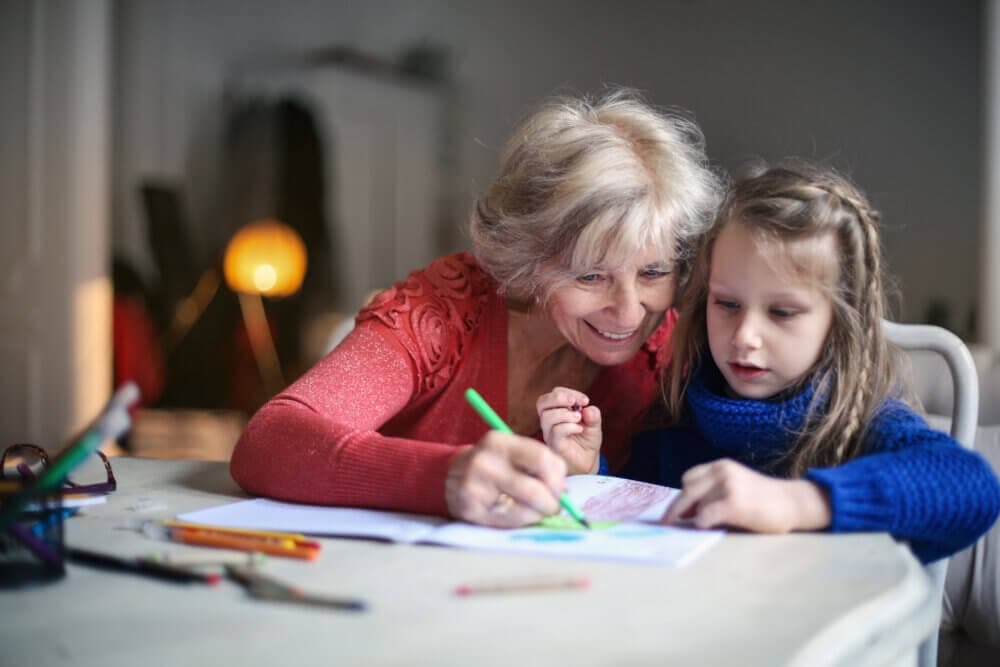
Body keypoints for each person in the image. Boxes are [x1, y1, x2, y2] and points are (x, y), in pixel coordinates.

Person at [229, 89, 723, 527]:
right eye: (591, 275)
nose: (631, 314)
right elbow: (270, 442)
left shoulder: (666, 347)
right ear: (530, 258)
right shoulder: (445, 311)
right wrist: (442, 478)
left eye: (654, 273)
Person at [540, 161, 1000, 563]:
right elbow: (641, 536)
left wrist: (796, 504)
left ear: (840, 321)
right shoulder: (677, 412)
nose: (744, 336)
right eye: (727, 304)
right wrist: (591, 475)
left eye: (781, 312)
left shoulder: (857, 423)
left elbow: (971, 487)